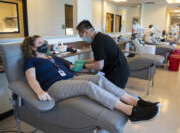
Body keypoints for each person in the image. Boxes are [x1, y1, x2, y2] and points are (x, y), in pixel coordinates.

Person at [22, 35, 161, 123]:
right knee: (87, 86)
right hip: (54, 87)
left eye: (44, 41)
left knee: (99, 80)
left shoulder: (53, 57)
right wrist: (39, 91)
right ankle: (130, 111)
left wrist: (92, 68)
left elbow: (72, 67)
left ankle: (137, 102)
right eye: (41, 43)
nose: (45, 43)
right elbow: (31, 78)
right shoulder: (31, 61)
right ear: (33, 47)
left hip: (70, 79)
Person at [76, 20, 130, 89]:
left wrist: (83, 66)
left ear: (86, 32)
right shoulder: (100, 37)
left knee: (114, 96)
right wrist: (85, 61)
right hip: (121, 69)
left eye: (81, 36)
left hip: (118, 72)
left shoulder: (97, 42)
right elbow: (98, 59)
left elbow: (99, 65)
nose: (82, 39)